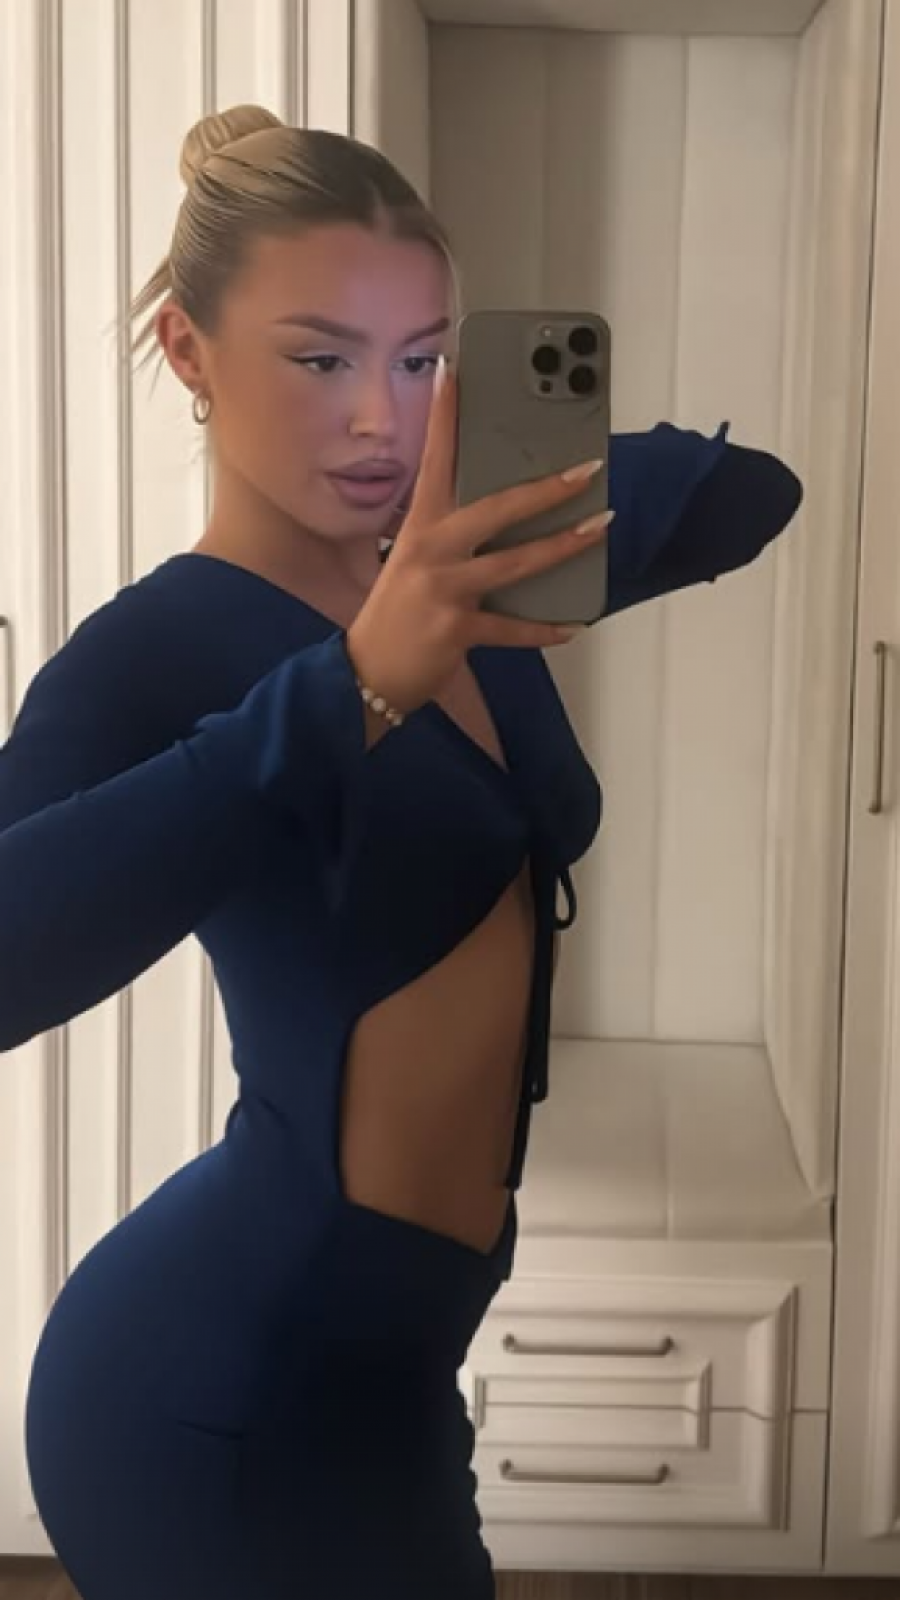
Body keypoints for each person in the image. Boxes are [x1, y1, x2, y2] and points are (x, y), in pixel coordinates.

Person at [0, 105, 802, 1600]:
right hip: (211, 1397)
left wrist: (512, 477)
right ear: (187, 352)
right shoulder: (153, 650)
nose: (384, 420)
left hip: (401, 1370)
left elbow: (749, 495)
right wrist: (354, 686)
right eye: (322, 361)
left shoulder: (471, 587)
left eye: (424, 359)